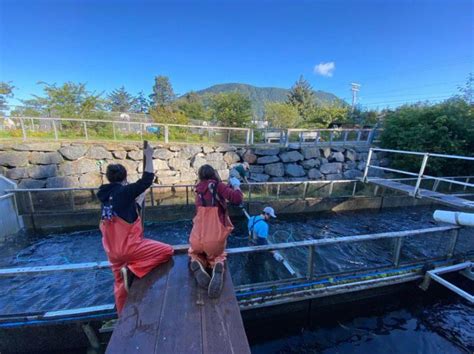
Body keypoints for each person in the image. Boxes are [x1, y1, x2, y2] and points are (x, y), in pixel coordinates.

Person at [97, 144, 174, 314]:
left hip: (111, 252)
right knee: (167, 251)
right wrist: (148, 154)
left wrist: (137, 203)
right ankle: (132, 270)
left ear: (109, 178)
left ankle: (122, 314)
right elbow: (147, 179)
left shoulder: (104, 197)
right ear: (125, 178)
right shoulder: (124, 192)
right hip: (129, 248)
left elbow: (124, 212)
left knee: (119, 283)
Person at [189, 164, 243, 298]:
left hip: (196, 237)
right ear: (214, 173)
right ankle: (217, 265)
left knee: (194, 253)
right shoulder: (218, 186)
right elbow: (237, 198)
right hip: (214, 237)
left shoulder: (198, 190)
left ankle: (197, 262)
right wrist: (236, 186)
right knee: (217, 255)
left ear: (200, 176)